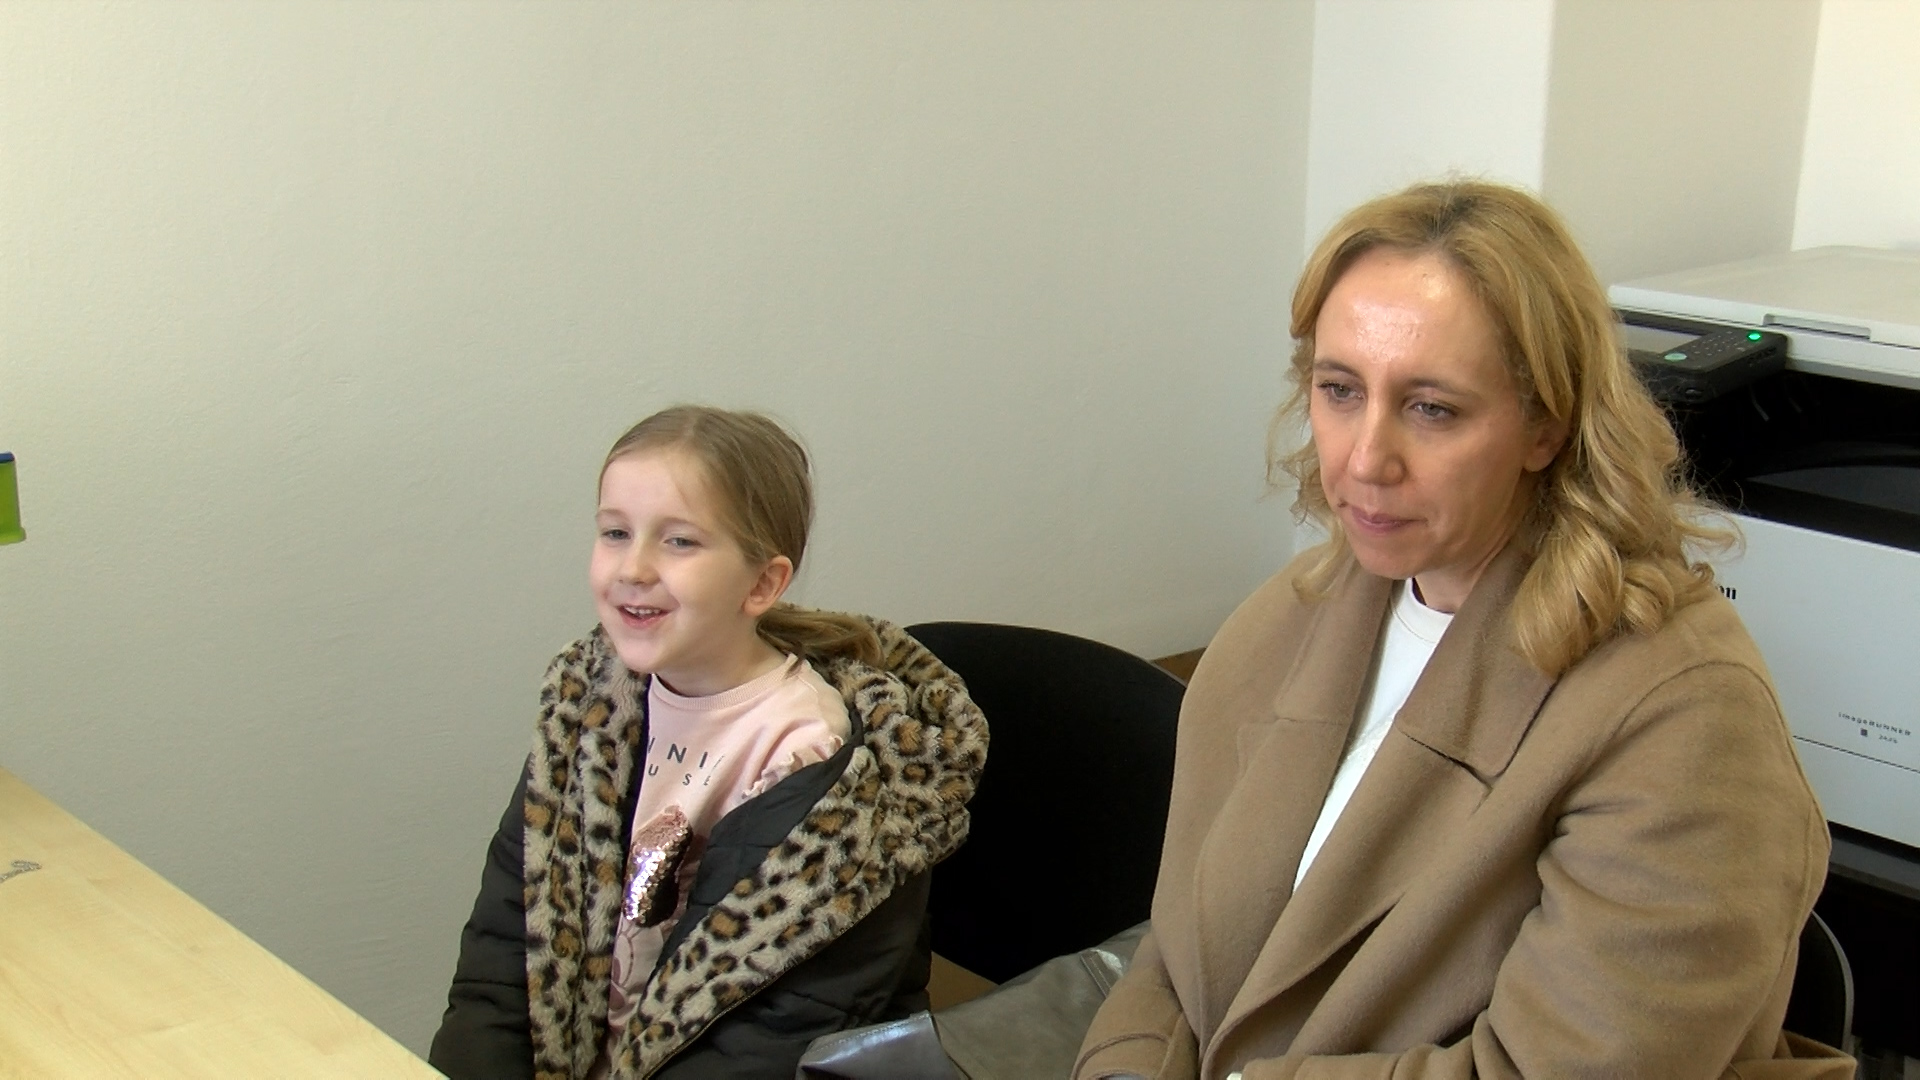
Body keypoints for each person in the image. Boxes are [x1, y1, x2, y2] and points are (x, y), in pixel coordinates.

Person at [1074, 181, 1854, 1079]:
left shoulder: (1684, 712)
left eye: (1431, 408)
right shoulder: (1295, 609)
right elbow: (1180, 957)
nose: (1365, 459)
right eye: (1339, 390)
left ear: (1545, 426)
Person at [430, 406, 988, 1080]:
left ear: (762, 584)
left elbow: (766, 1044)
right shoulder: (589, 706)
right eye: (615, 532)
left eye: (680, 542)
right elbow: (505, 956)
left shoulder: (814, 758)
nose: (633, 567)